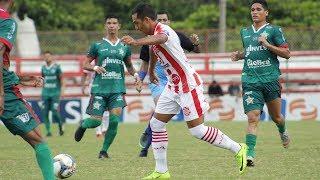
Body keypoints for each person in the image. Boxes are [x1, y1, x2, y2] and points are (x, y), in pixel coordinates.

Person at [122, 3, 248, 179]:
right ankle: (161, 171)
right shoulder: (151, 36)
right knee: (156, 124)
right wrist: (151, 72)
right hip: (172, 87)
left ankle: (238, 148)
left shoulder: (163, 30)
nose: (136, 27)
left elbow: (161, 39)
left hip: (188, 85)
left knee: (197, 131)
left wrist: (135, 42)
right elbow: (153, 49)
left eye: (137, 23)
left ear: (147, 20)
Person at [230, 0, 291, 167]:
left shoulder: (274, 30)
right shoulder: (245, 32)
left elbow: (286, 53)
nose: (254, 12)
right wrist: (239, 56)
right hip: (250, 80)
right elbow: (251, 53)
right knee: (252, 117)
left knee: (276, 117)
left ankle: (282, 130)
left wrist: (267, 44)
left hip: (270, 80)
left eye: (258, 9)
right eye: (252, 9)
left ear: (266, 13)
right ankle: (249, 155)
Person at [74, 14, 142, 159]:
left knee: (114, 120)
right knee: (95, 121)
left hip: (117, 89)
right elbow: (85, 64)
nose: (112, 25)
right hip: (99, 88)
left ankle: (103, 151)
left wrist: (136, 76)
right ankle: (83, 124)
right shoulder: (97, 45)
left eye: (114, 23)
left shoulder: (124, 47)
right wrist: (95, 67)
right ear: (106, 26)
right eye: (109, 23)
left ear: (119, 26)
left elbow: (129, 66)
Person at [0, 0, 54, 179]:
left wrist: (21, 79)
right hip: (5, 93)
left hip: (8, 83)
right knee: (37, 139)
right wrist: (1, 93)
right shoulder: (6, 21)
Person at [138, 10, 201, 158]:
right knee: (160, 105)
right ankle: (147, 147)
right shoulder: (148, 40)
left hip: (177, 79)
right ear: (153, 21)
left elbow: (196, 50)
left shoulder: (175, 35)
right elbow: (145, 64)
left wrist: (196, 43)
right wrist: (141, 79)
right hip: (158, 80)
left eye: (165, 20)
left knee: (196, 129)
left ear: (169, 22)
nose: (163, 22)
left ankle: (148, 137)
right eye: (160, 20)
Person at [81, 62, 109, 138]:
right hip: (94, 87)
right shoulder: (92, 62)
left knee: (106, 109)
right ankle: (98, 131)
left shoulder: (108, 60)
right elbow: (84, 73)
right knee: (96, 109)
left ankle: (104, 129)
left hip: (106, 87)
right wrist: (83, 86)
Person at [41, 51, 64, 136]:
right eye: (45, 56)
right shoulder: (43, 68)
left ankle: (60, 126)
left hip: (55, 93)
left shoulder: (57, 67)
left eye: (48, 56)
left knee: (54, 112)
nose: (47, 58)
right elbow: (43, 79)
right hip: (45, 93)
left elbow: (61, 80)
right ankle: (48, 132)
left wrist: (62, 91)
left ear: (51, 57)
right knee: (45, 112)